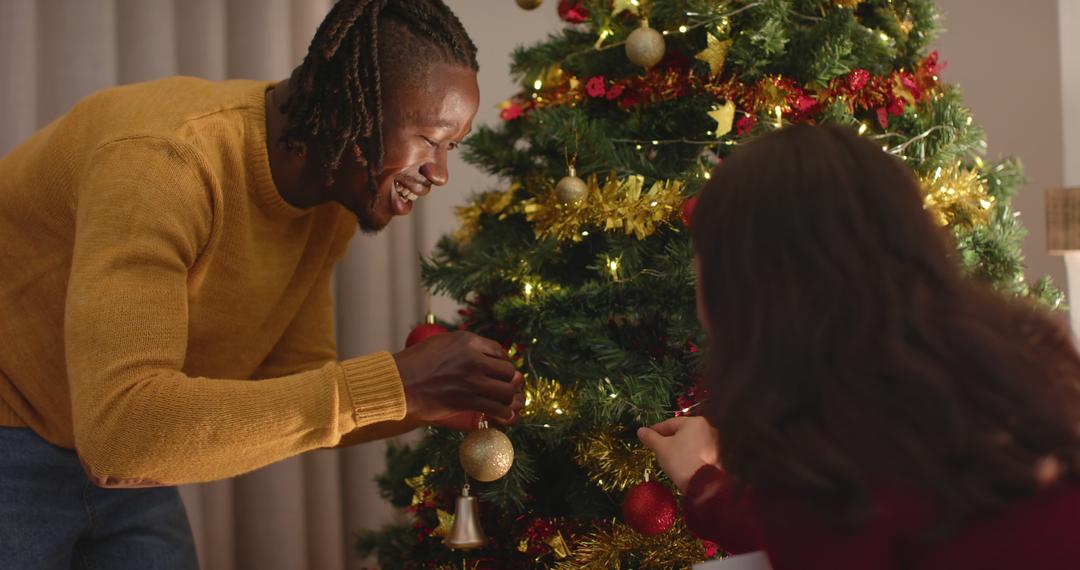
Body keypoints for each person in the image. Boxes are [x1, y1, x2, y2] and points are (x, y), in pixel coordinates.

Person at [0, 1, 523, 568]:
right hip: (20, 424)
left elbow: (296, 382)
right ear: (354, 106)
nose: (440, 172)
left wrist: (420, 399)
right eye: (427, 137)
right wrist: (397, 382)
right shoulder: (164, 163)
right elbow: (124, 434)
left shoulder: (328, 189)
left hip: (112, 445)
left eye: (453, 145)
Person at [638, 124, 1080, 569]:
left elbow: (827, 530)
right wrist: (704, 482)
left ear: (745, 285)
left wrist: (706, 482)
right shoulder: (1019, 351)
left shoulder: (839, 434)